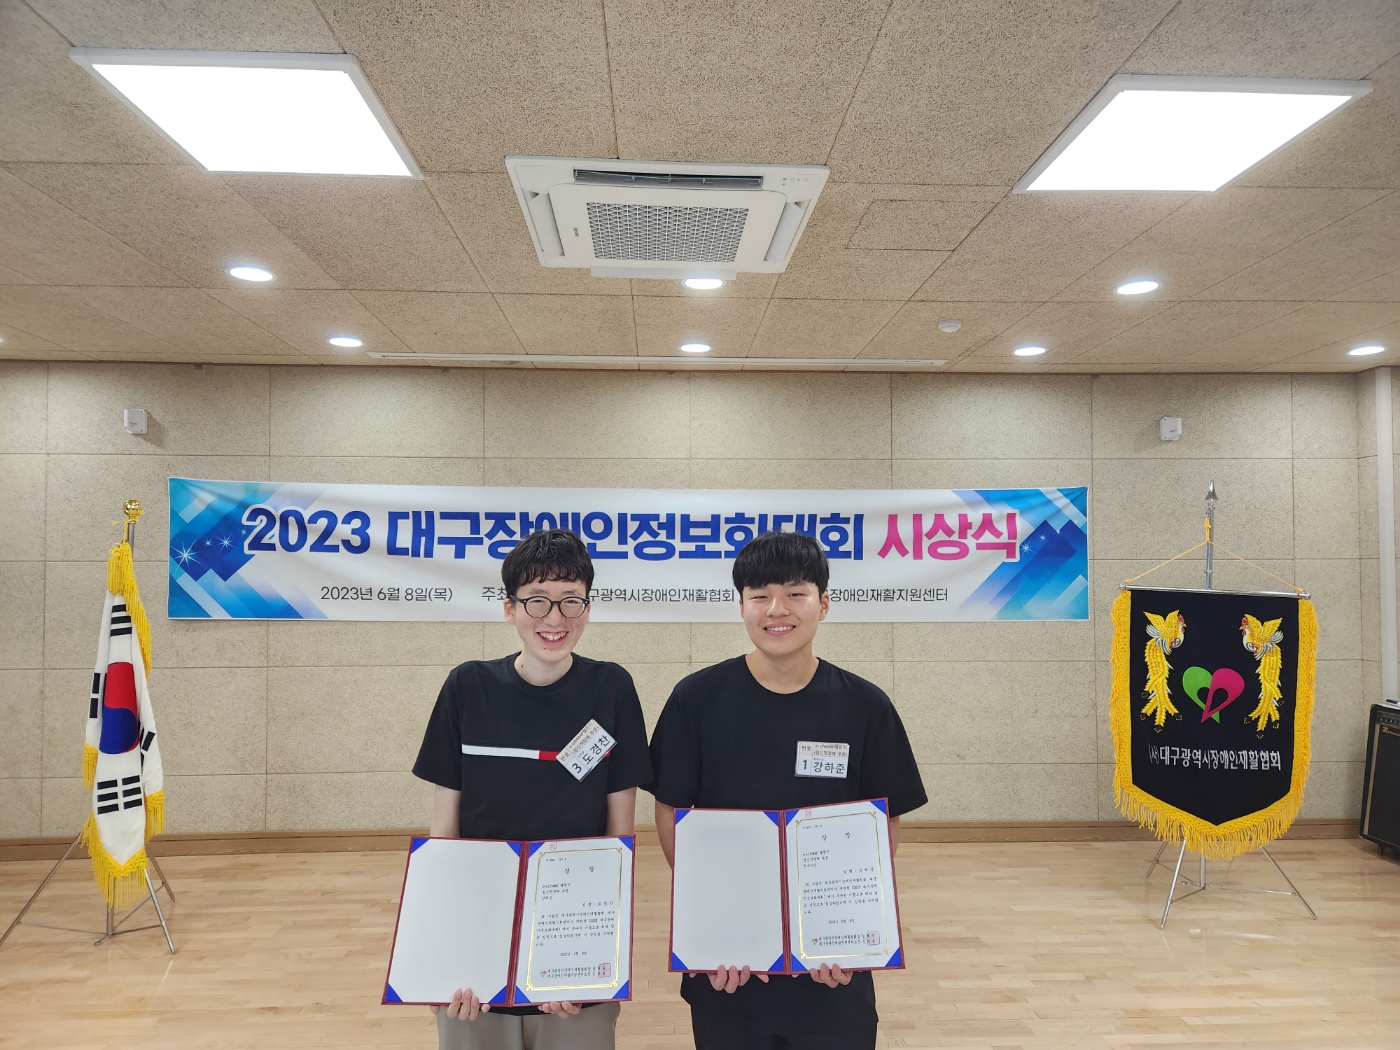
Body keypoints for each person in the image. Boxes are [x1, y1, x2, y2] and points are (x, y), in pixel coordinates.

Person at [648, 530, 927, 1050]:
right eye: (760, 595)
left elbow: (882, 821)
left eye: (796, 593)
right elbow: (670, 810)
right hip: (729, 965)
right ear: (741, 606)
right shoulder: (696, 699)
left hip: (831, 964)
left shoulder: (865, 705)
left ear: (824, 603)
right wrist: (712, 913)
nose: (777, 609)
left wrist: (847, 921)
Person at [412, 528, 652, 1050]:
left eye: (571, 601)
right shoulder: (467, 687)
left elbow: (617, 841)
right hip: (478, 931)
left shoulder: (612, 688)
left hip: (572, 935)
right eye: (537, 600)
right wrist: (441, 955)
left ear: (588, 608)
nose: (555, 618)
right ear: (509, 608)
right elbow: (444, 835)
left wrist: (593, 953)